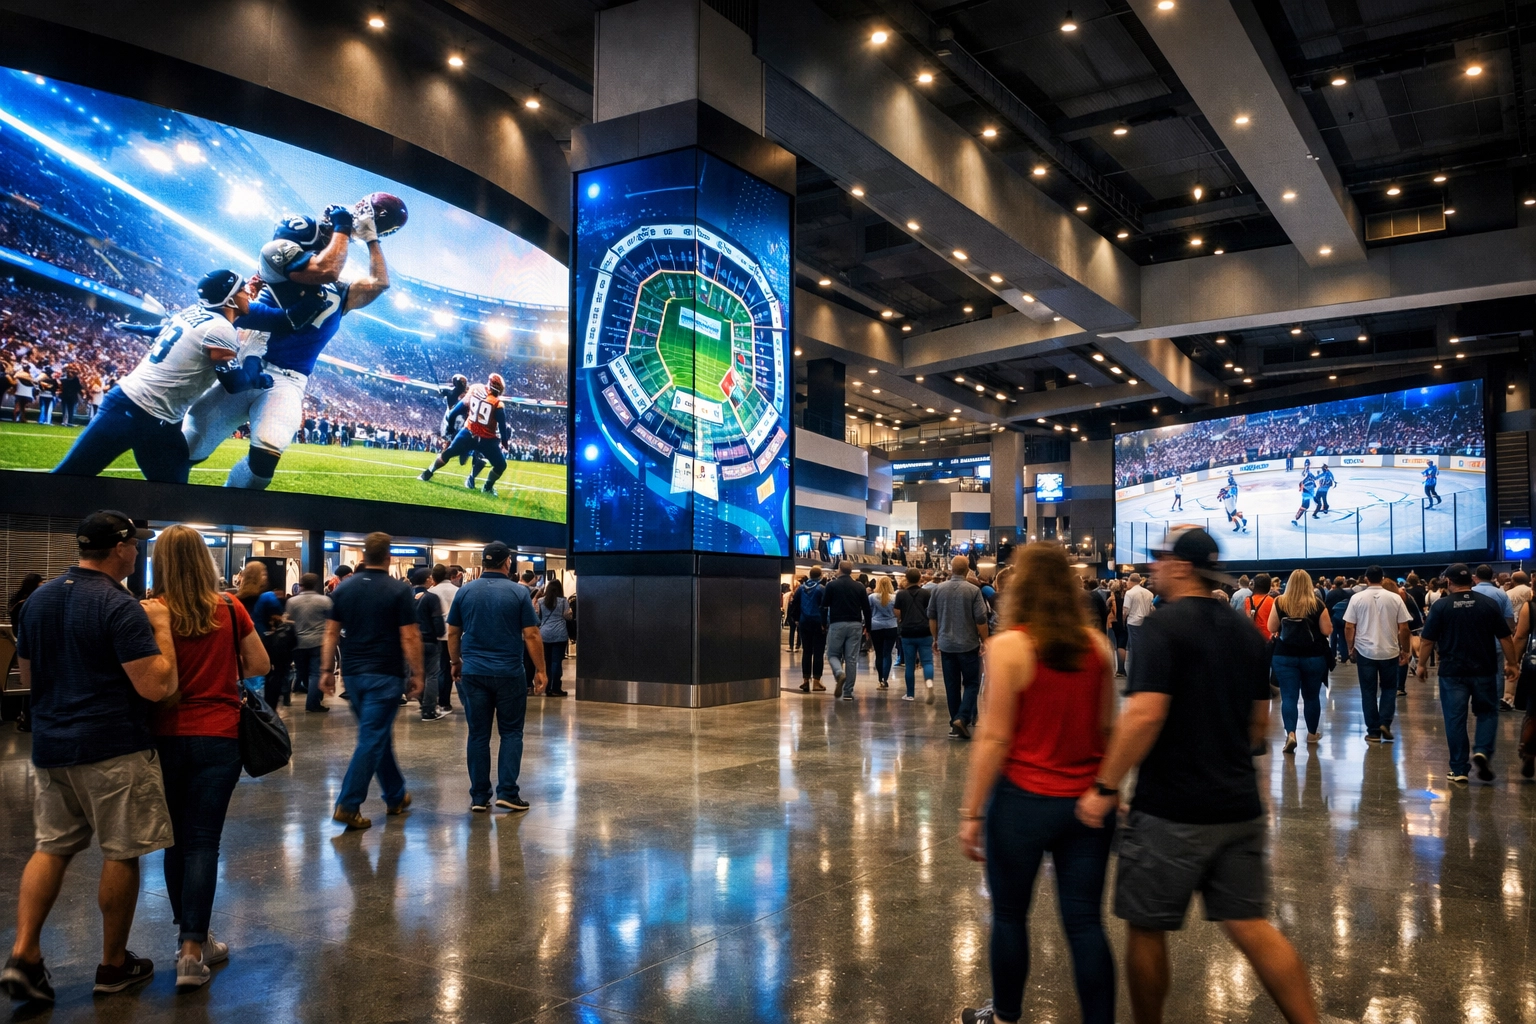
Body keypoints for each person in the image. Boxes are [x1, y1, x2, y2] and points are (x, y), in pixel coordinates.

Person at [1075, 528, 1319, 1024]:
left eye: (1160, 559)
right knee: (1251, 924)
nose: (1154, 567)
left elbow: (1144, 715)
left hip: (1170, 809)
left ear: (1183, 567)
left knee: (1146, 927)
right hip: (1238, 805)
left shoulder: (1162, 629)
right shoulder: (1247, 634)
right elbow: (1257, 726)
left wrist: (1103, 787)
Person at [3, 511, 179, 1003]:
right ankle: (114, 963)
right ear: (120, 549)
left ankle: (24, 954)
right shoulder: (120, 606)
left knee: (51, 847)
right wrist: (162, 629)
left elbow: (30, 678)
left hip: (53, 747)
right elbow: (155, 686)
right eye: (135, 545)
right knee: (122, 852)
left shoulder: (38, 600)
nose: (139, 552)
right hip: (112, 747)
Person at [957, 544, 1118, 1024]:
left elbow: (995, 736)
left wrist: (971, 812)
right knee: (1086, 923)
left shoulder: (1007, 647)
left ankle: (1005, 1016)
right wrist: (1112, 792)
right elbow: (1109, 729)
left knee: (1009, 916)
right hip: (1086, 804)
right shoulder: (1096, 647)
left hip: (1021, 803)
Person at [147, 525, 272, 991]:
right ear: (205, 561)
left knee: (174, 840)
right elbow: (259, 665)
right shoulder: (228, 606)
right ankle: (193, 948)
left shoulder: (149, 610)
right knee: (203, 841)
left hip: (163, 736)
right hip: (220, 735)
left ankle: (187, 938)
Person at [321, 532, 423, 830]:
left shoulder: (344, 588)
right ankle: (348, 803)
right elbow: (409, 635)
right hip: (385, 674)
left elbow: (330, 633)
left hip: (353, 676)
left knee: (376, 736)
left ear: (363, 555)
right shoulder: (398, 590)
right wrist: (418, 673)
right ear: (389, 557)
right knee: (372, 738)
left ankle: (395, 794)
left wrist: (327, 671)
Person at [447, 541, 546, 812]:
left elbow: (453, 632)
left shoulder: (465, 591)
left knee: (478, 735)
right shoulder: (518, 593)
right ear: (507, 563)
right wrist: (541, 670)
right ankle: (508, 793)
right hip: (509, 673)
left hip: (474, 673)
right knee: (511, 732)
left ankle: (479, 797)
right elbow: (531, 633)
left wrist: (455, 662)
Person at [1418, 563, 1518, 783]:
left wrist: (1422, 664)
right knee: (1487, 713)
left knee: (1455, 719)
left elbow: (1427, 640)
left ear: (1449, 582)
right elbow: (1505, 637)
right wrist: (1512, 663)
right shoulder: (1489, 604)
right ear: (1471, 581)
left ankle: (1459, 768)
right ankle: (1482, 749)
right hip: (1484, 669)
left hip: (1452, 672)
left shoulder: (1441, 606)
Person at [1343, 565, 1411, 743]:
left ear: (1366, 579)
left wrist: (1351, 647)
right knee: (1389, 689)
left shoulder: (1356, 598)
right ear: (1382, 578)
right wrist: (1406, 650)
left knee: (1368, 691)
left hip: (1365, 651)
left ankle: (1373, 731)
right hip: (1390, 650)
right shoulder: (1395, 598)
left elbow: (1349, 626)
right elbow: (1404, 628)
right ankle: (1385, 723)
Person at [1267, 569, 1332, 753]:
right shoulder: (1317, 604)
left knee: (1289, 697)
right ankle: (1311, 734)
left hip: (1284, 656)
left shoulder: (1280, 602)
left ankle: (1291, 734)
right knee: (1311, 697)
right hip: (1313, 657)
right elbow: (1327, 630)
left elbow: (1271, 627)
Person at [930, 556, 991, 738]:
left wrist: (935, 638)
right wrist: (985, 640)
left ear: (951, 569)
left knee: (952, 685)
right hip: (968, 644)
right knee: (972, 683)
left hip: (946, 645)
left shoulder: (938, 590)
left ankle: (954, 723)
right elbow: (981, 619)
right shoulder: (973, 591)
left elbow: (932, 617)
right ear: (967, 570)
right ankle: (962, 717)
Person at [824, 561, 872, 700]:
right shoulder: (859, 586)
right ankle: (848, 692)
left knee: (832, 654)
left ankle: (839, 673)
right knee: (851, 659)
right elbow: (866, 609)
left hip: (837, 623)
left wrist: (823, 623)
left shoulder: (831, 585)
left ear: (839, 569)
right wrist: (868, 627)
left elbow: (824, 605)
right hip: (855, 625)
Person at [286, 573, 332, 713]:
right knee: (315, 674)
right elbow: (331, 621)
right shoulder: (324, 601)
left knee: (302, 671)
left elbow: (287, 620)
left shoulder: (292, 602)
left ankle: (307, 693)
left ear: (301, 584)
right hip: (318, 642)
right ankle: (313, 703)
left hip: (298, 642)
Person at [409, 568, 446, 720]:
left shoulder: (406, 596)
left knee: (417, 673)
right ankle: (429, 709)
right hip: (430, 640)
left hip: (412, 641)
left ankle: (421, 703)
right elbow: (437, 619)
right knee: (432, 675)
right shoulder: (431, 597)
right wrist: (440, 632)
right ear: (426, 580)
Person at [895, 568, 935, 702]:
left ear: (906, 578)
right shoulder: (926, 593)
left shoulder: (901, 594)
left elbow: (897, 612)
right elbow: (930, 612)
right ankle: (929, 684)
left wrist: (902, 618)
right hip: (924, 631)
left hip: (907, 632)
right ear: (920, 579)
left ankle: (910, 694)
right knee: (927, 661)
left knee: (910, 665)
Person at [429, 564, 461, 713]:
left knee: (441, 669)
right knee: (458, 666)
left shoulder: (431, 592)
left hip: (438, 635)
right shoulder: (459, 591)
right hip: (457, 634)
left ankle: (443, 702)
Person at [1382, 579, 1422, 697]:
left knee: (1401, 657)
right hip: (1403, 630)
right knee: (1402, 657)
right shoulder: (1402, 596)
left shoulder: (1399, 597)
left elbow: (1407, 621)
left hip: (1400, 630)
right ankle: (1399, 687)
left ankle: (1395, 685)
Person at [538, 577, 574, 697]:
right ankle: (556, 688)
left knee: (547, 662)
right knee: (556, 662)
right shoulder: (563, 601)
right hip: (559, 634)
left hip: (544, 634)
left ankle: (547, 687)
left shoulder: (541, 601)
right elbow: (568, 617)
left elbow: (539, 617)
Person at [797, 566, 829, 693]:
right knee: (818, 652)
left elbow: (795, 604)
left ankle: (805, 681)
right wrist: (824, 623)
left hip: (804, 622)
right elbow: (824, 607)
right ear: (820, 576)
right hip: (818, 623)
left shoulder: (801, 588)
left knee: (806, 652)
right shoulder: (821, 589)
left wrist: (797, 619)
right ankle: (816, 682)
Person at [868, 575, 899, 690]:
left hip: (876, 626)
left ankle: (880, 678)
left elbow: (868, 611)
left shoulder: (872, 597)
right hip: (891, 626)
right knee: (887, 654)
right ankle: (885, 680)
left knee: (879, 653)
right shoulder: (894, 598)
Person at [1121, 573, 1153, 674]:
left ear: (1131, 581)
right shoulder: (1149, 593)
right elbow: (1151, 608)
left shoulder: (1130, 593)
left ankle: (1134, 670)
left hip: (1133, 622)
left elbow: (1125, 610)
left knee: (1133, 647)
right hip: (1145, 621)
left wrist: (1123, 621)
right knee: (1144, 646)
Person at [1325, 577, 1353, 667]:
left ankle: (1332, 656)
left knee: (1333, 637)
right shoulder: (1348, 593)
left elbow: (1327, 606)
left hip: (1333, 618)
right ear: (1343, 583)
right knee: (1343, 637)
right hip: (1344, 618)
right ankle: (1344, 656)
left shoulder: (1330, 594)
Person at [1107, 580, 1129, 676]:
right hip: (1124, 623)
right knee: (1121, 646)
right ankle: (1121, 669)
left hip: (1113, 623)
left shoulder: (1111, 598)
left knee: (1111, 646)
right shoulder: (1127, 597)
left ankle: (1111, 669)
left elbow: (1106, 607)